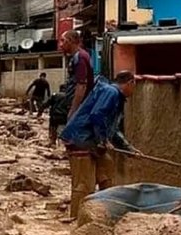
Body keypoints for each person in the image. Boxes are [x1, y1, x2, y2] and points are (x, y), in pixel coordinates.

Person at [60, 70, 141, 220]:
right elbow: (97, 115)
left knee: (107, 170)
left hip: (91, 141)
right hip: (80, 140)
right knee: (84, 184)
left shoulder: (115, 96)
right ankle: (77, 220)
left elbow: (113, 129)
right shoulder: (111, 92)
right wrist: (102, 140)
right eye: (134, 85)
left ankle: (107, 213)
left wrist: (128, 148)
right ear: (130, 83)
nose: (134, 90)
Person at [60, 30, 94, 119]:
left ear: (70, 41)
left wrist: (73, 110)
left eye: (63, 41)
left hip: (81, 106)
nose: (60, 44)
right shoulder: (76, 56)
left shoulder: (80, 57)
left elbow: (81, 85)